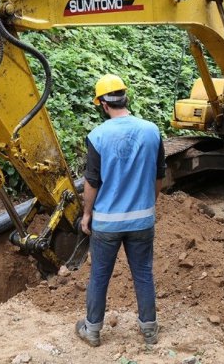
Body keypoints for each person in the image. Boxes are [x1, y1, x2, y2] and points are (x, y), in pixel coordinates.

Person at [75, 74, 166, 348]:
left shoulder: (98, 135)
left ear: (103, 104)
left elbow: (92, 182)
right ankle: (149, 330)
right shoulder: (152, 130)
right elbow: (160, 175)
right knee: (143, 274)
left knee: (99, 276)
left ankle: (92, 330)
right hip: (142, 220)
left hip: (107, 224)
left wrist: (87, 214)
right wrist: (150, 202)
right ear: (126, 98)